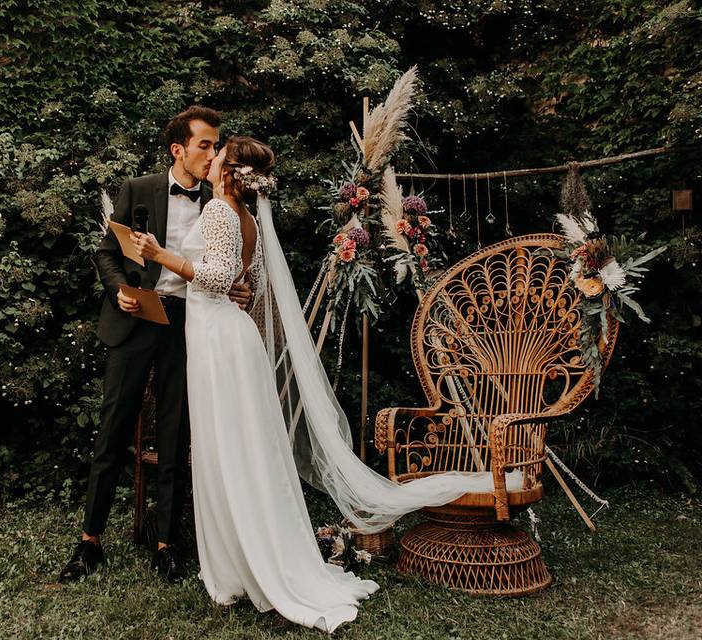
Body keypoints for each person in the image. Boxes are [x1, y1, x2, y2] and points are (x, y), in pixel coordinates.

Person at [133, 135, 496, 632]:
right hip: (231, 338)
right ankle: (249, 556)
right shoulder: (246, 219)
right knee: (243, 452)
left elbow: (216, 277)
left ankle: (239, 568)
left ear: (230, 169)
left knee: (227, 451)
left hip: (218, 342)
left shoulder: (219, 210)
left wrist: (158, 253)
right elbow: (248, 284)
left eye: (219, 153)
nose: (212, 156)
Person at [58, 106, 252, 583]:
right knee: (112, 431)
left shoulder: (220, 199)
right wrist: (118, 288)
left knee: (176, 436)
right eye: (204, 145)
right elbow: (106, 252)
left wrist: (235, 287)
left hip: (190, 325)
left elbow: (223, 268)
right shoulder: (138, 189)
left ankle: (167, 544)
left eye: (215, 145)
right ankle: (89, 542)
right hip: (136, 319)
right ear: (177, 149)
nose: (212, 154)